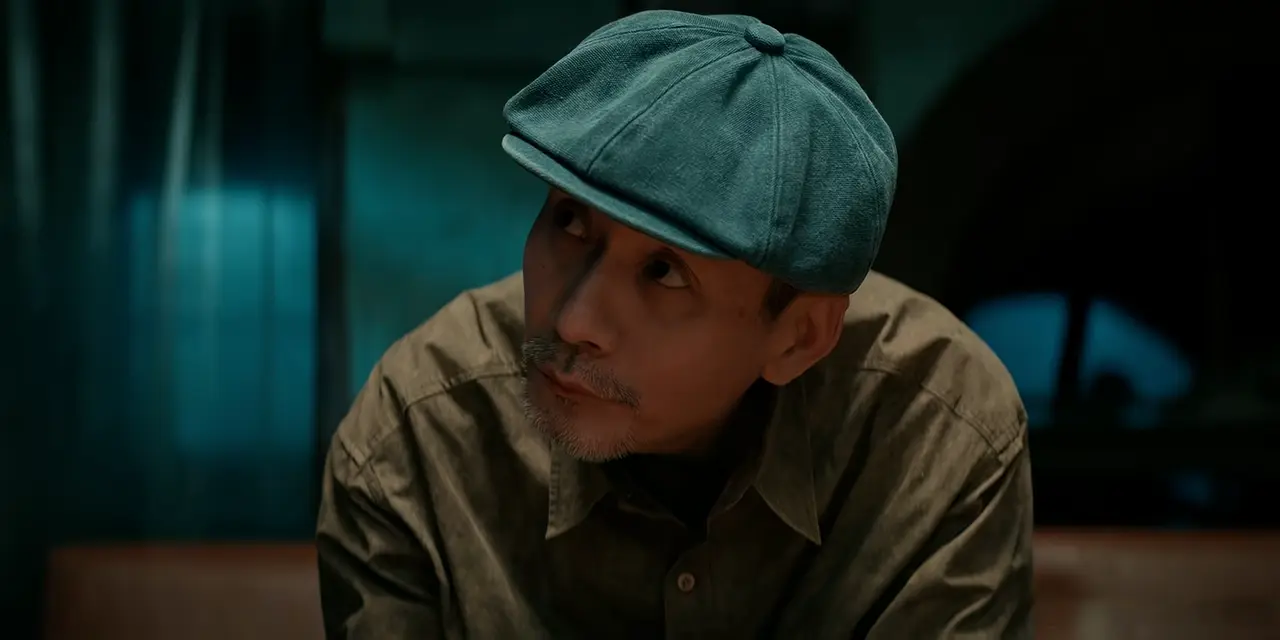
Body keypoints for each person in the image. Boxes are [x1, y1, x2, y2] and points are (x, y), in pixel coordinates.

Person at [316, 10, 1032, 639]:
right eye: (570, 222)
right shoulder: (418, 437)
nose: (573, 320)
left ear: (799, 337)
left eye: (664, 272)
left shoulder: (936, 430)